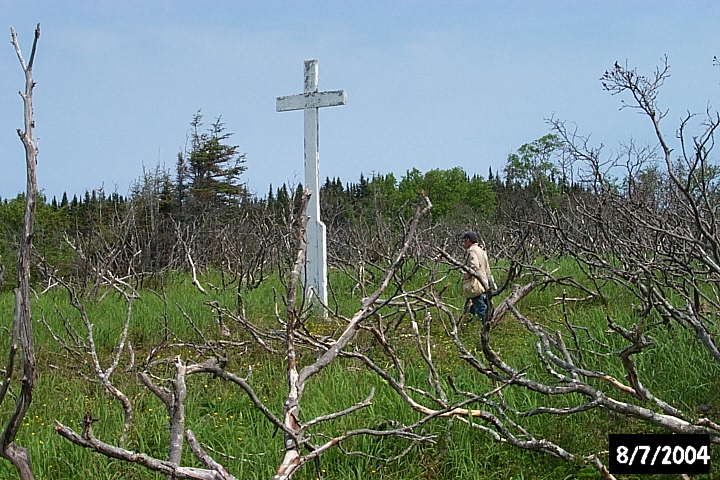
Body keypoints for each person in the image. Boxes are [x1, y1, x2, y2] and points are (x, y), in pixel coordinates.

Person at [461, 231, 492, 321]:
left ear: (468, 240)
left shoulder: (472, 251)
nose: (463, 243)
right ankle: (467, 321)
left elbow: (474, 266)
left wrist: (468, 275)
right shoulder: (481, 250)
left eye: (464, 240)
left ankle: (486, 325)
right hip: (484, 282)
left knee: (480, 307)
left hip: (476, 283)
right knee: (471, 305)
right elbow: (487, 268)